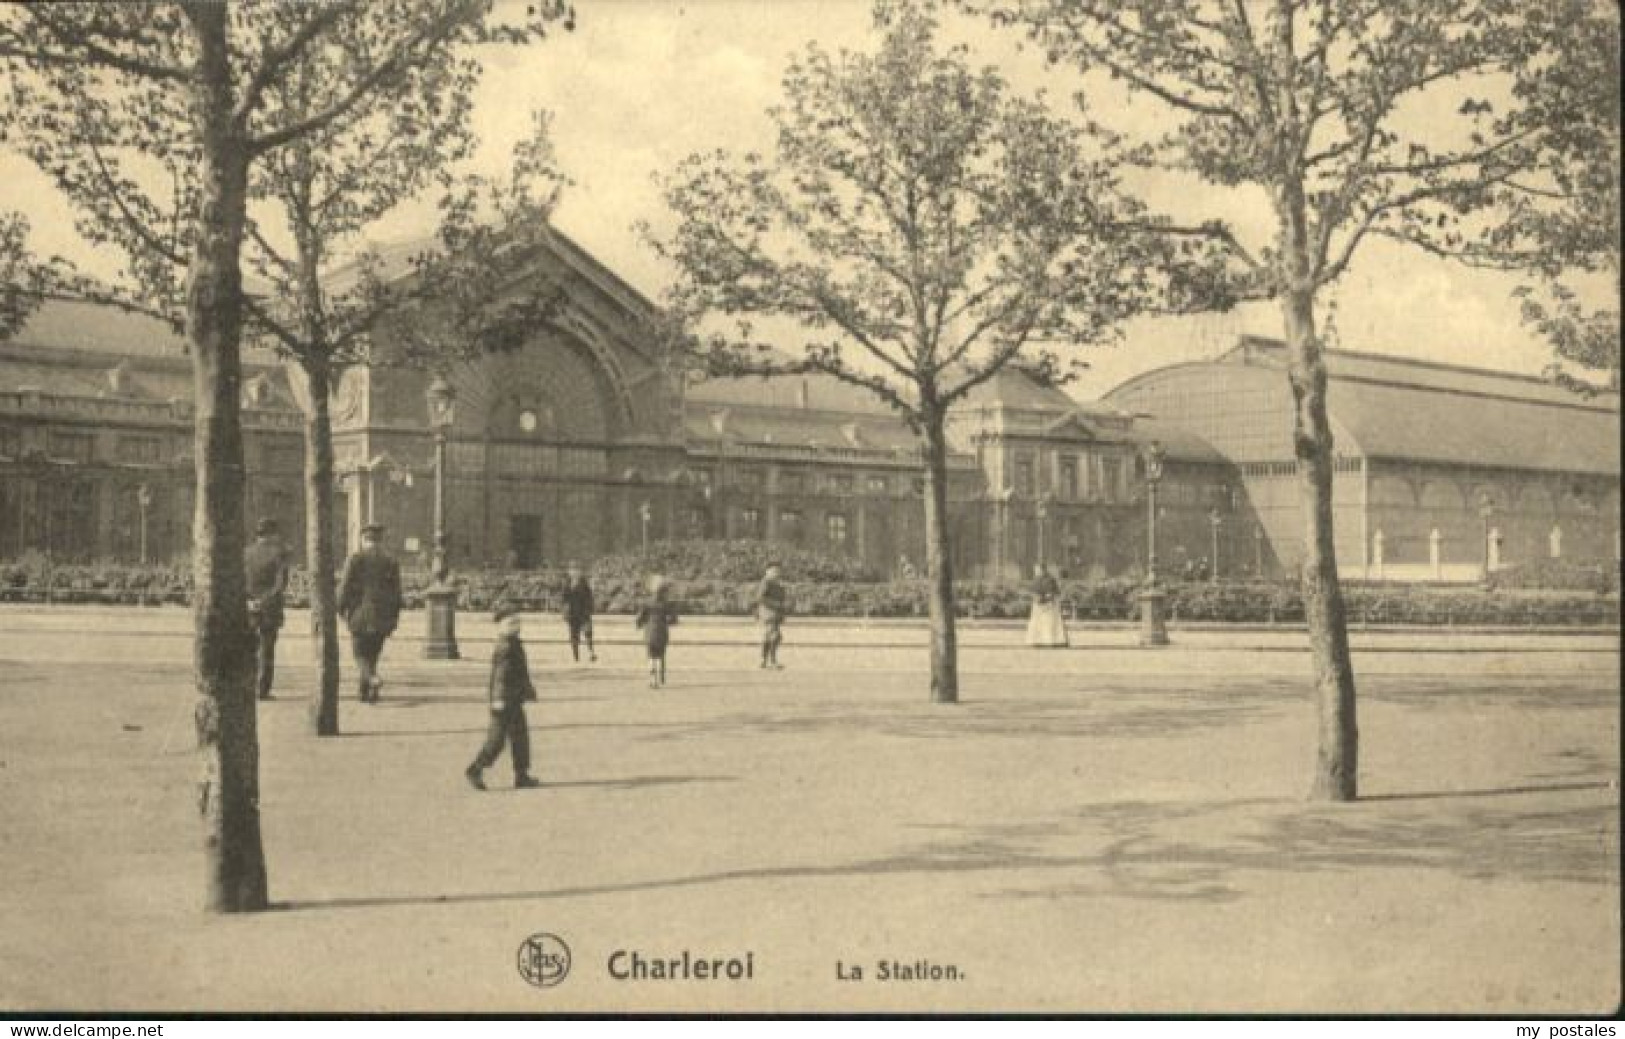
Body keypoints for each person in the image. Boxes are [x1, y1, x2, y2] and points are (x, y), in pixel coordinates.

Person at [465, 602, 540, 791]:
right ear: (500, 626)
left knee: (520, 737)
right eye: (511, 623)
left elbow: (519, 672)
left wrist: (526, 690)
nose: (516, 626)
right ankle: (475, 769)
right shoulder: (505, 646)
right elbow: (500, 675)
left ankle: (521, 775)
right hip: (504, 701)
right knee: (497, 740)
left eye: (518, 622)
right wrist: (498, 699)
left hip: (513, 698)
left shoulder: (513, 642)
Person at [338, 523, 403, 703]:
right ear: (380, 540)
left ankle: (372, 679)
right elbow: (397, 593)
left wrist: (340, 608)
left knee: (359, 654)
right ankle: (365, 692)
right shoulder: (391, 562)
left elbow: (344, 587)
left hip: (360, 614)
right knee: (373, 655)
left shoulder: (355, 559)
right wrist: (394, 618)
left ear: (363, 540)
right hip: (383, 616)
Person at [243, 517, 291, 701]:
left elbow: (238, 580)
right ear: (272, 534)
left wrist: (249, 600)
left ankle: (247, 686)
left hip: (248, 607)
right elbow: (280, 584)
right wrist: (263, 601)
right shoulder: (279, 554)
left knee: (248, 648)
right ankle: (262, 689)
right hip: (270, 608)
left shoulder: (245, 553)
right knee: (266, 649)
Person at [634, 574, 679, 688]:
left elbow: (640, 617)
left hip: (650, 632)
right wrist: (668, 622)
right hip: (662, 632)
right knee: (660, 655)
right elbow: (674, 619)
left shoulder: (647, 603)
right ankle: (659, 678)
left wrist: (638, 625)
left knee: (651, 656)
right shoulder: (666, 604)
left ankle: (653, 680)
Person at [1025, 563, 1069, 648]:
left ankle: (1052, 641)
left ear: (1043, 570)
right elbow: (1032, 591)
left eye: (1038, 570)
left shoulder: (1050, 580)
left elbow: (1053, 592)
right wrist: (1036, 597)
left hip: (1050, 605)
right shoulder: (1036, 580)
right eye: (1036, 570)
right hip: (1038, 605)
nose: (1036, 572)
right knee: (1037, 623)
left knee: (1050, 623)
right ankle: (1036, 641)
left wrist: (1046, 598)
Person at [560, 562, 597, 663]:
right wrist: (565, 612)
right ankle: (576, 657)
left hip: (584, 613)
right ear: (569, 572)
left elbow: (589, 597)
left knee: (588, 632)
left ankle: (591, 653)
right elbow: (563, 599)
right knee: (574, 636)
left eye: (577, 570)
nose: (575, 572)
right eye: (572, 570)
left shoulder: (584, 583)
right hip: (572, 614)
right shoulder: (567, 584)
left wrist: (589, 609)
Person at [755, 561, 788, 669]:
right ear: (767, 571)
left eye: (778, 571)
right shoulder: (766, 582)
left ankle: (764, 660)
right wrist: (775, 604)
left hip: (775, 614)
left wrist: (782, 612)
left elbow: (782, 600)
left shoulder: (778, 584)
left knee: (772, 636)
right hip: (768, 613)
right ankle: (770, 661)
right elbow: (760, 597)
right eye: (774, 571)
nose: (776, 573)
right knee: (775, 636)